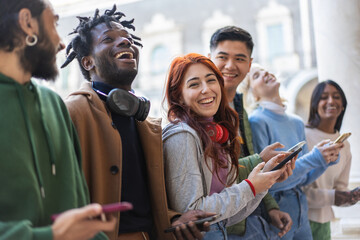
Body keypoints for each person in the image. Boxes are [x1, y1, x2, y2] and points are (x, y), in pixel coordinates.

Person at [62, 5, 212, 240]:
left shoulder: (146, 123)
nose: (124, 42)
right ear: (88, 62)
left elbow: (144, 199)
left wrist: (173, 218)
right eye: (108, 39)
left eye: (128, 38)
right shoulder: (72, 112)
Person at [0, 0, 117, 239]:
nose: (62, 43)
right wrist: (50, 236)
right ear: (27, 22)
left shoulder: (54, 104)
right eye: (53, 24)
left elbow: (80, 210)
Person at [162, 53, 291, 240]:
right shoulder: (182, 135)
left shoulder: (214, 132)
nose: (206, 89)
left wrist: (263, 184)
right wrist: (250, 187)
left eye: (211, 80)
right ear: (178, 97)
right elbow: (193, 214)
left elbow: (227, 217)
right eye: (194, 84)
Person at [209, 26, 293, 239]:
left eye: (239, 58)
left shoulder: (239, 106)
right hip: (218, 225)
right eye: (222, 57)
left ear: (249, 64)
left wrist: (271, 208)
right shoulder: (203, 107)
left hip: (250, 219)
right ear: (209, 58)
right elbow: (209, 174)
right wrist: (260, 159)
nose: (230, 65)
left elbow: (253, 164)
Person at [245, 64, 344, 239]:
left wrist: (325, 160)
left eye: (266, 70)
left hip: (301, 206)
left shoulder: (296, 121)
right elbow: (270, 180)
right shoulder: (256, 121)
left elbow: (303, 178)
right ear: (253, 93)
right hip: (277, 212)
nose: (266, 73)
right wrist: (315, 157)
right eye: (256, 76)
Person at [303, 80, 360, 240]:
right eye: (323, 97)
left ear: (343, 106)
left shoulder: (345, 145)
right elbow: (295, 189)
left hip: (325, 224)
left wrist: (352, 196)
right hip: (300, 220)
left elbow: (339, 189)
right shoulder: (302, 134)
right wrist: (334, 196)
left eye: (336, 97)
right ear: (315, 104)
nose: (331, 101)